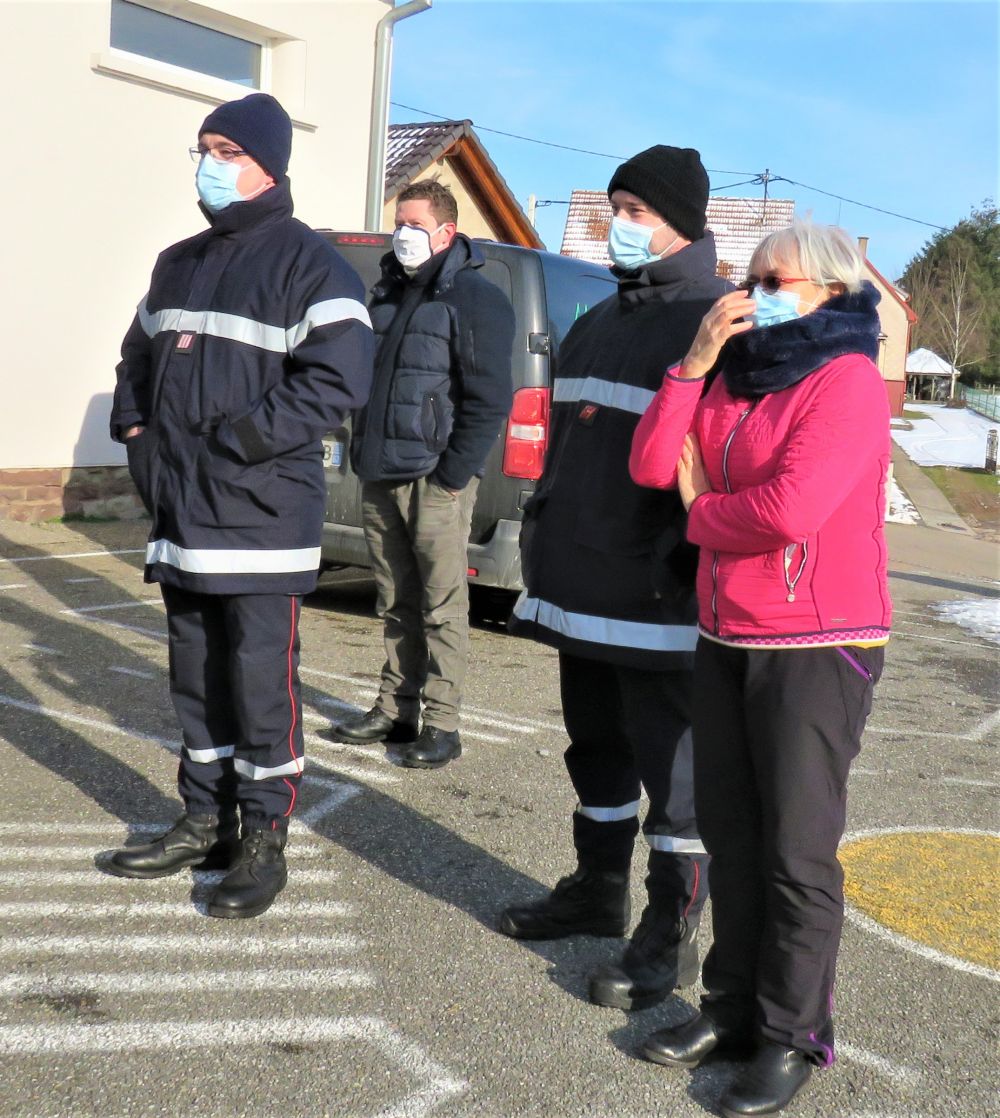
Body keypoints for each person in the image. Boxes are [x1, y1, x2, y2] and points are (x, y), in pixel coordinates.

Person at [629, 221, 891, 1116]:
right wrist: (694, 363)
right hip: (727, 633)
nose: (756, 292)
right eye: (750, 278)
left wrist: (702, 510)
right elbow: (653, 462)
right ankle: (730, 1007)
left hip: (818, 644)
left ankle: (791, 1035)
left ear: (826, 289)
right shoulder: (736, 374)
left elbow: (790, 510)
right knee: (734, 836)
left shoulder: (846, 380)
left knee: (795, 850)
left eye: (774, 278)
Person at [108, 93, 374, 918]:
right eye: (202, 147)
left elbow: (337, 381)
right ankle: (203, 818)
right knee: (196, 677)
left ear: (268, 163)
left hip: (259, 517)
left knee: (261, 682)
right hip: (181, 514)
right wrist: (139, 435)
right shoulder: (177, 261)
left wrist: (234, 446)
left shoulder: (311, 263)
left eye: (226, 149)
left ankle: (263, 838)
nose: (208, 163)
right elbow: (136, 359)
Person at [499, 146, 730, 1011]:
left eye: (635, 208)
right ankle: (598, 891)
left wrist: (682, 565)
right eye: (614, 206)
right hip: (576, 586)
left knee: (675, 784)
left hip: (658, 596)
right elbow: (565, 450)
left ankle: (667, 939)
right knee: (592, 752)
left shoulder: (717, 319)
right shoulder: (599, 316)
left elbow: (714, 463)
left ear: (682, 221)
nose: (617, 224)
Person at [329, 180, 514, 770]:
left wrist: (453, 477)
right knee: (394, 599)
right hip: (380, 472)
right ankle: (394, 707)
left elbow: (489, 400)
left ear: (445, 231)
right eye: (398, 225)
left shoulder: (476, 299)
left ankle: (442, 723)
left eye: (413, 225)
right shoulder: (386, 292)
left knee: (440, 605)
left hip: (435, 479)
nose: (402, 236)